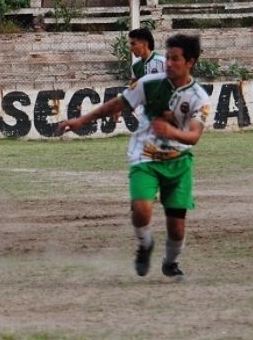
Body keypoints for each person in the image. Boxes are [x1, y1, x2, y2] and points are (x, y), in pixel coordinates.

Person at [59, 34, 210, 282]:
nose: (169, 64)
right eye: (168, 58)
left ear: (190, 62)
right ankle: (145, 243)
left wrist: (170, 131)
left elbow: (194, 136)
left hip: (178, 162)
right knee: (141, 209)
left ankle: (170, 264)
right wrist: (81, 121)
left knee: (177, 227)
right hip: (145, 155)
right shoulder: (149, 83)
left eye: (175, 59)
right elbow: (117, 104)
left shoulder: (199, 98)